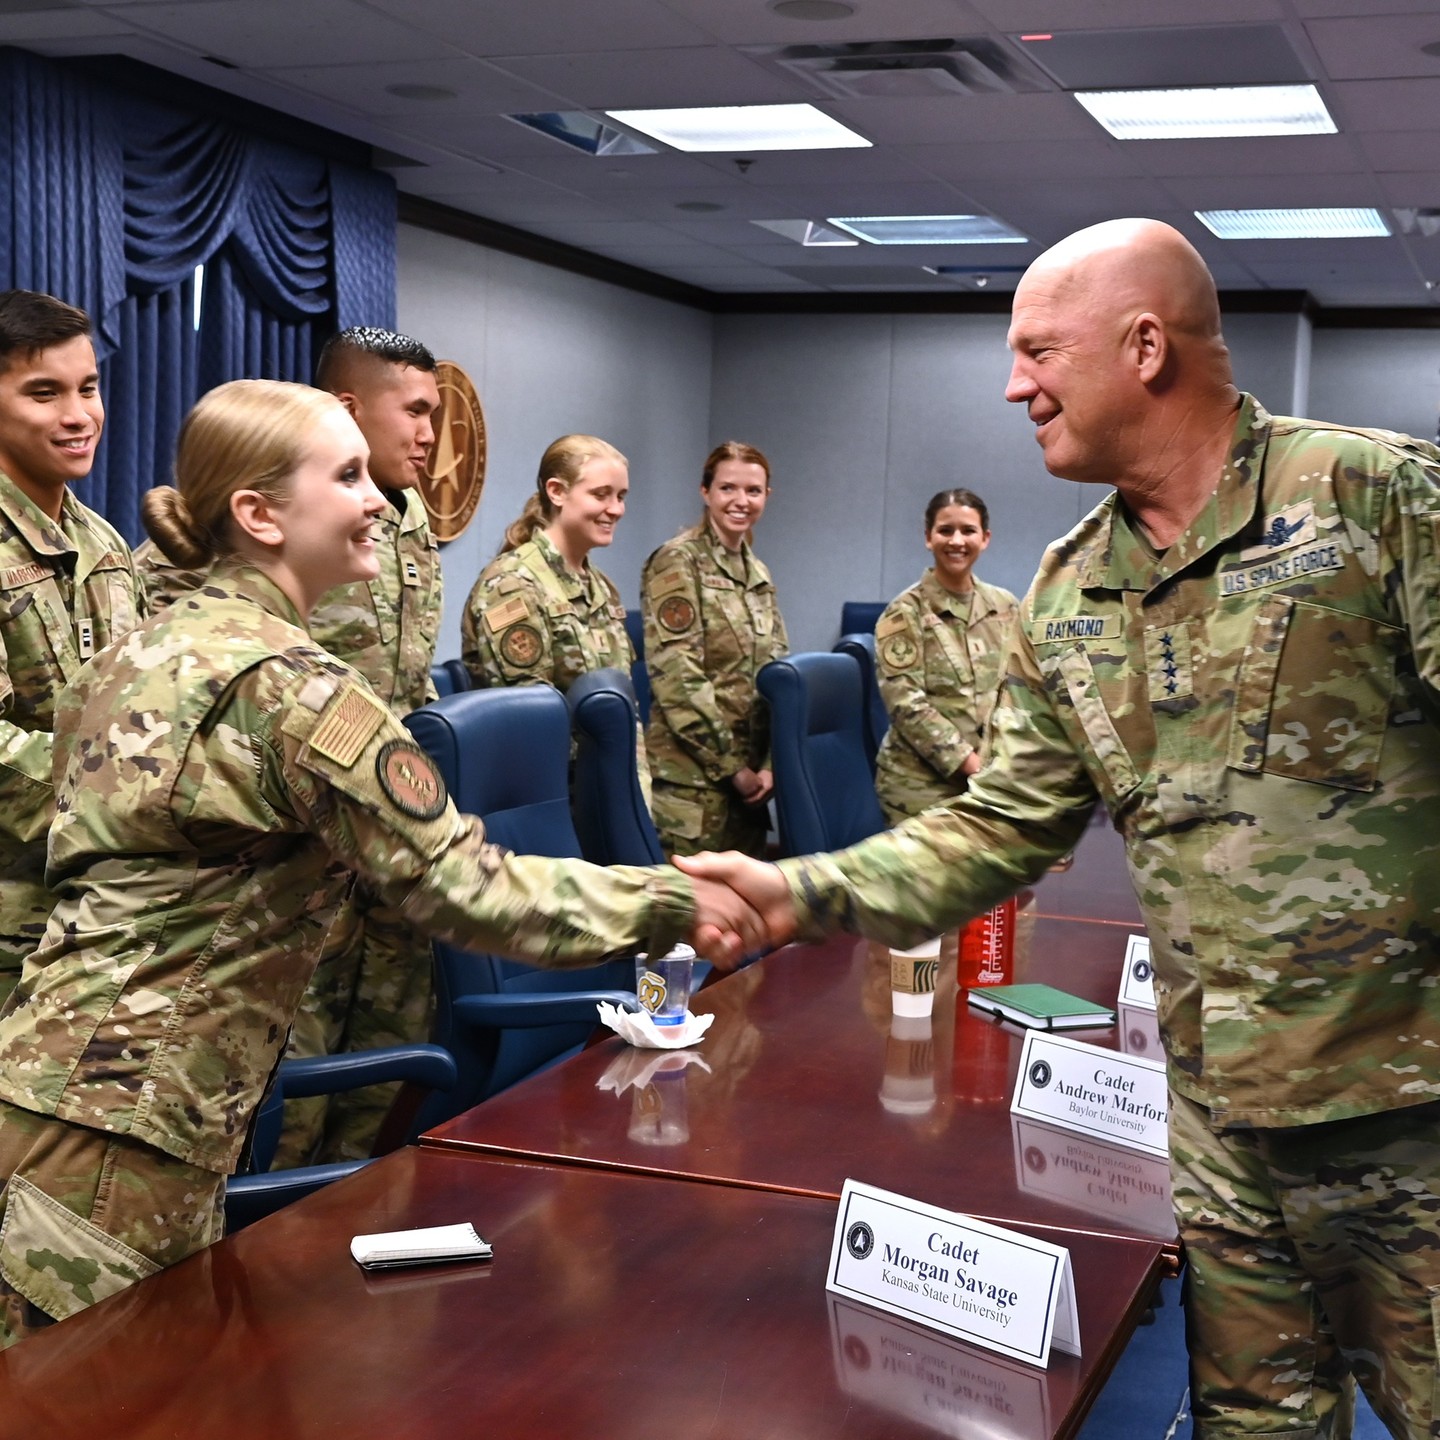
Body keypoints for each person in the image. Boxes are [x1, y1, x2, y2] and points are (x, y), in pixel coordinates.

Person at [683, 219, 1440, 1440]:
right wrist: (796, 895)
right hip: (1225, 1140)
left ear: (1145, 348)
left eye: (1038, 350)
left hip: (1415, 1130)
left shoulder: (1371, 499)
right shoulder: (1069, 586)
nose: (1012, 383)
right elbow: (996, 829)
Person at [0, 379, 758, 1344]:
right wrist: (676, 900)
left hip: (62, 1097)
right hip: (126, 1139)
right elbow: (469, 887)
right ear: (259, 514)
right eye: (349, 474)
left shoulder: (153, 644)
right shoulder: (294, 691)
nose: (377, 499)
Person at [136, 327, 447, 1166]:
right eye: (413, 411)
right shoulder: (207, 560)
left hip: (377, 859)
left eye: (436, 414)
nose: (428, 434)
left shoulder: (408, 533)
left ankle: (341, 1222)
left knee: (380, 1080)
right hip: (285, 870)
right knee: (287, 1093)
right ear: (347, 410)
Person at [0, 290, 142, 1006]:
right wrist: (111, 795)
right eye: (44, 393)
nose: (79, 414)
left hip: (95, 915)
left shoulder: (104, 544)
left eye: (88, 387)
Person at [641, 442, 787, 856]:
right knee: (691, 914)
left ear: (766, 497)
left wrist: (772, 766)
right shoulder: (677, 562)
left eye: (753, 491)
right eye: (727, 488)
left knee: (743, 915)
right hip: (695, 784)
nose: (741, 501)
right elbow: (678, 676)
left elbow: (779, 673)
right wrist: (732, 768)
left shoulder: (757, 572)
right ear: (705, 492)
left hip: (751, 788)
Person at [872, 488, 1017, 823]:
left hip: (989, 780)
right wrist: (973, 766)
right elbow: (907, 705)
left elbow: (1019, 689)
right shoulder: (904, 614)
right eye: (945, 530)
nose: (956, 541)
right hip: (922, 788)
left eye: (968, 530)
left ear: (985, 538)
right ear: (928, 537)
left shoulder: (1005, 606)